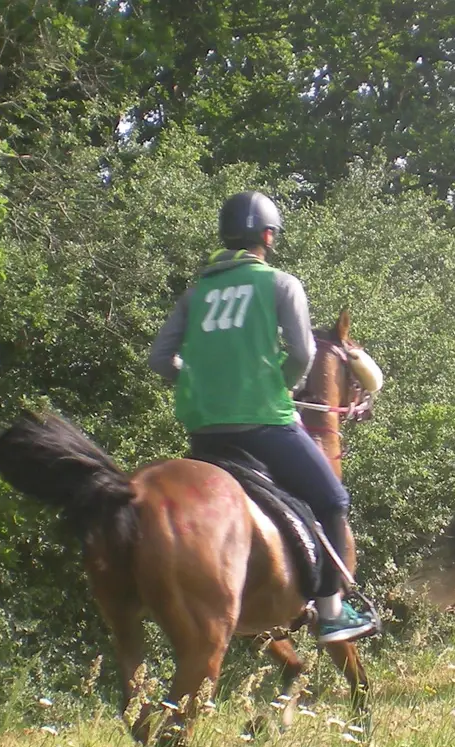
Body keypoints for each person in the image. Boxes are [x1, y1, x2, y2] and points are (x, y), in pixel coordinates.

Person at [146, 190, 378, 643]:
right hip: (264, 423)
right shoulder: (280, 284)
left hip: (204, 432)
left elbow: (160, 359)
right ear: (268, 236)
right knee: (332, 501)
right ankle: (331, 610)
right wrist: (282, 386)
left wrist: (199, 383)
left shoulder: (197, 294)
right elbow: (303, 353)